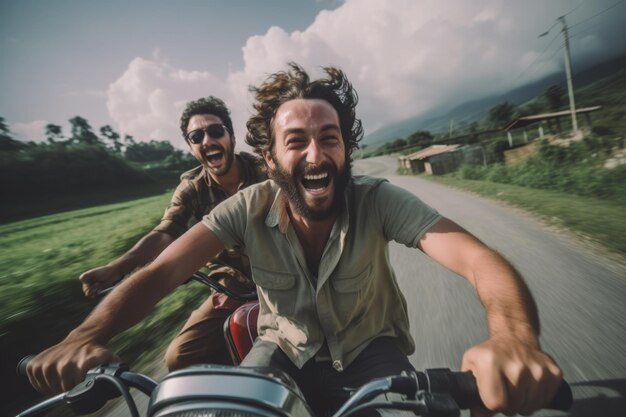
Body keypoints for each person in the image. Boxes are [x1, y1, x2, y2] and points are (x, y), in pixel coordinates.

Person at [27, 64, 563, 417]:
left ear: (346, 152)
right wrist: (86, 332)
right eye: (296, 141)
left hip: (372, 351)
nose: (314, 155)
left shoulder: (378, 199)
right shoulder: (244, 207)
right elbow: (161, 272)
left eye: (328, 139)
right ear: (270, 158)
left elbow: (478, 259)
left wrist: (513, 337)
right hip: (279, 348)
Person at [78, 96, 266, 371]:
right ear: (191, 147)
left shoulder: (265, 171)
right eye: (196, 136)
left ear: (232, 137)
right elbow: (166, 232)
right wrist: (118, 267)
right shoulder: (191, 188)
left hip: (283, 273)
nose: (207, 140)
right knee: (179, 358)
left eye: (215, 131)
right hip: (231, 287)